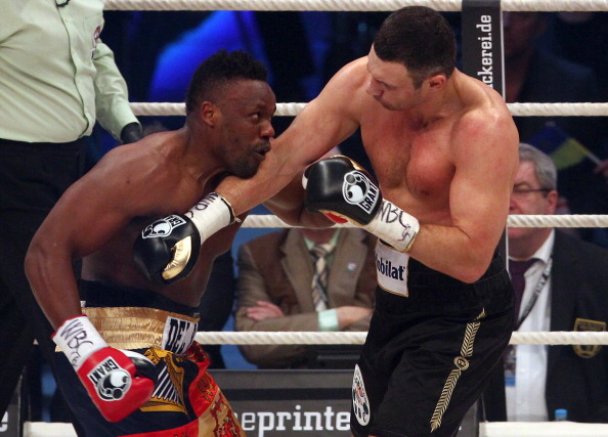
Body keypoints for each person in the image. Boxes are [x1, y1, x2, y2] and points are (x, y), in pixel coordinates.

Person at [135, 7, 520, 436]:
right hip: (392, 298)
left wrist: (376, 214)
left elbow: (470, 259)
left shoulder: (482, 129)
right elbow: (282, 159)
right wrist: (197, 223)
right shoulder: (361, 82)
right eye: (372, 70)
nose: (370, 87)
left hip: (459, 313)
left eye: (386, 84)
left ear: (434, 83)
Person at [24, 50, 276, 435]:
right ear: (210, 114)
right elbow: (44, 253)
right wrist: (88, 353)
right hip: (117, 347)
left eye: (271, 117)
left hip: (177, 352)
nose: (269, 130)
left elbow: (307, 199)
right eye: (256, 116)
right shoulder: (140, 170)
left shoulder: (243, 176)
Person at [0, 1, 143, 423]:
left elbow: (94, 55)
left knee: (14, 320)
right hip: (13, 168)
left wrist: (126, 124)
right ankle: (106, 424)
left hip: (71, 164)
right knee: (58, 317)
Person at [481, 143, 608, 423]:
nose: (508, 201)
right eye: (499, 190)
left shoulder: (598, 270)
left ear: (551, 202)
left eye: (521, 189)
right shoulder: (469, 270)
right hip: (488, 428)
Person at [235, 227, 377, 368]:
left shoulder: (379, 245)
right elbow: (253, 344)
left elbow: (388, 327)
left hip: (369, 373)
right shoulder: (260, 252)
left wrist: (286, 325)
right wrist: (340, 317)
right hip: (291, 378)